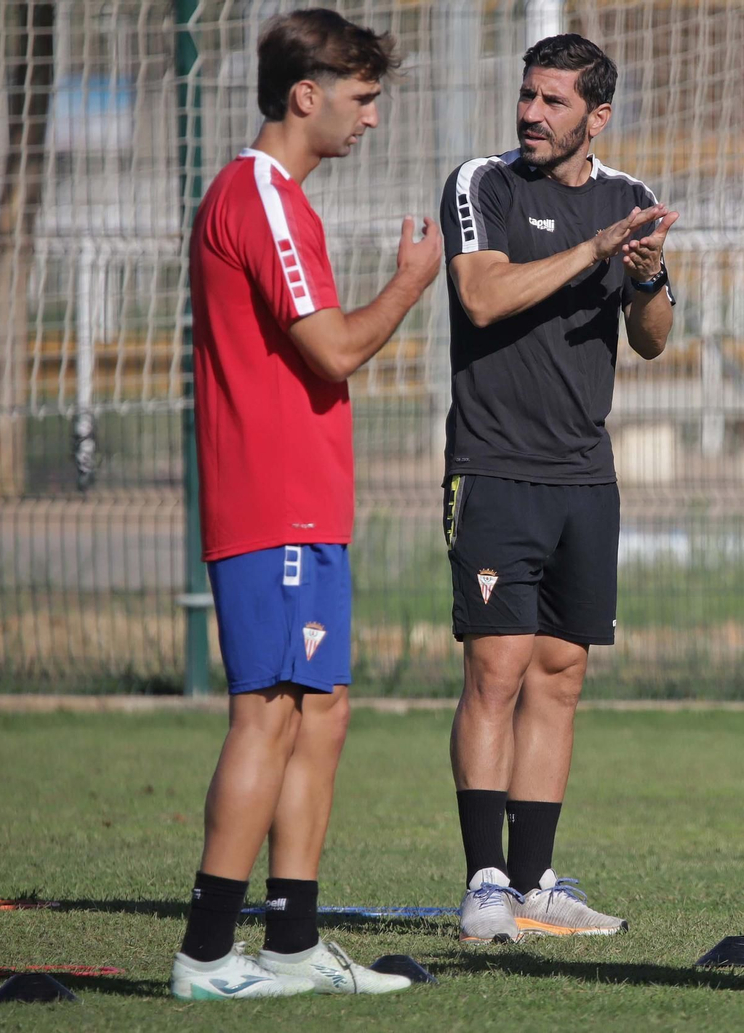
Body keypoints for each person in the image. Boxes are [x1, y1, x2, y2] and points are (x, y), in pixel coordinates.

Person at [169, 8, 441, 1000]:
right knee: (269, 712)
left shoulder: (282, 200)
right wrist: (411, 283)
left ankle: (290, 942)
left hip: (308, 505)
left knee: (322, 711)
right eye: (363, 98)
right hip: (271, 501)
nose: (372, 119)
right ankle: (205, 955)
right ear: (306, 94)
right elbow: (329, 347)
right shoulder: (263, 197)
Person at [438, 33, 677, 945]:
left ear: (597, 117)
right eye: (527, 96)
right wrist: (596, 250)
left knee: (562, 675)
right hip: (494, 466)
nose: (532, 114)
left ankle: (537, 879)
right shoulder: (482, 185)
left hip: (585, 474)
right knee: (495, 669)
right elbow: (484, 297)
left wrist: (645, 274)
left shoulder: (629, 202)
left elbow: (652, 337)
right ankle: (485, 881)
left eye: (554, 102)